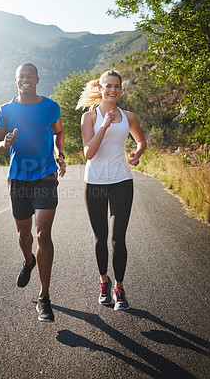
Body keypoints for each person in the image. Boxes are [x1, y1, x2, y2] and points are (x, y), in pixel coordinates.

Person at [0, 63, 66, 322]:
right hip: (18, 179)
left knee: (43, 234)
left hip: (45, 176)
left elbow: (59, 131)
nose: (25, 79)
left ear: (37, 79)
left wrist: (61, 153)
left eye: (29, 76)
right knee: (24, 236)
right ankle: (28, 261)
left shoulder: (51, 106)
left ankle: (44, 297)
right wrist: (3, 143)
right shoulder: (6, 109)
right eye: (21, 76)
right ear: (15, 80)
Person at [78, 70, 147, 311]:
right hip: (95, 182)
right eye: (108, 86)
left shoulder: (129, 116)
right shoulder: (89, 117)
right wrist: (104, 126)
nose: (113, 90)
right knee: (101, 239)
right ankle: (103, 282)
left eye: (117, 86)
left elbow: (141, 140)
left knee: (118, 238)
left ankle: (119, 287)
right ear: (100, 88)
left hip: (121, 181)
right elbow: (89, 153)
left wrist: (137, 153)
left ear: (120, 89)